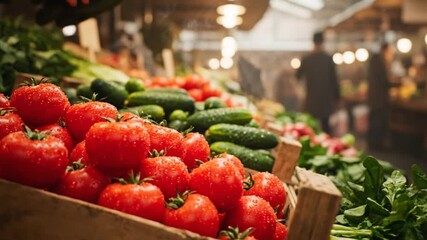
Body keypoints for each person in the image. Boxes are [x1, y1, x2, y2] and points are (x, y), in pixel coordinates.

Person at [296, 31, 340, 134]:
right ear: (323, 41)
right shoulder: (328, 59)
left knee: (311, 129)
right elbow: (334, 80)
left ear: (313, 41)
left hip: (311, 100)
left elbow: (297, 76)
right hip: (326, 100)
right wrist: (337, 97)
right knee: (326, 128)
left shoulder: (307, 59)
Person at [367, 43, 394, 150]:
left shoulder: (376, 59)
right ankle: (376, 145)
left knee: (375, 121)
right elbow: (384, 81)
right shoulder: (379, 60)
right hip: (378, 99)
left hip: (375, 98)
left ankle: (374, 144)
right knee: (377, 122)